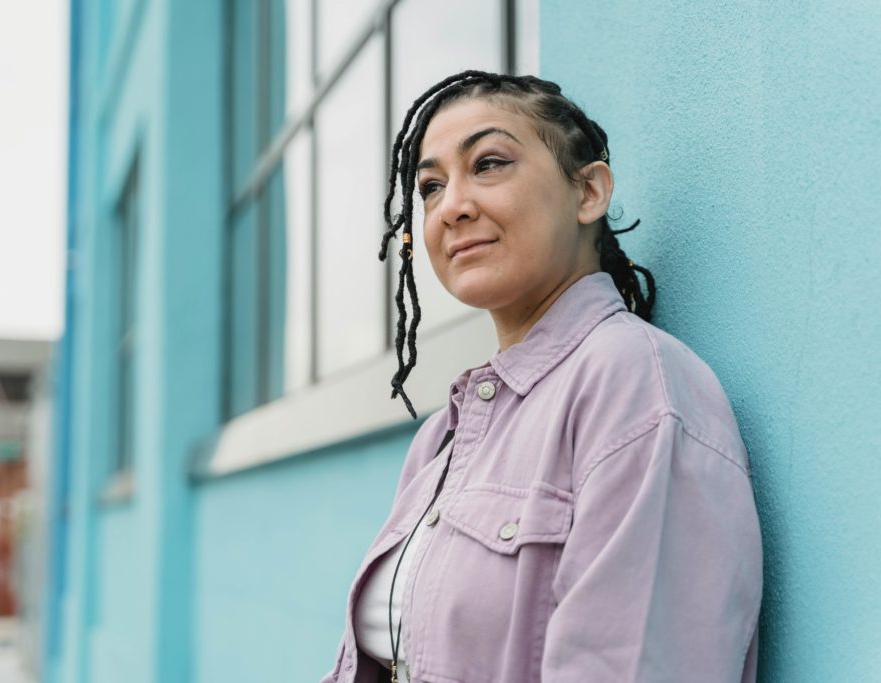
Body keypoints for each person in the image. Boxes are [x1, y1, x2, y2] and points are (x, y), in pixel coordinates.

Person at [321, 71, 763, 683]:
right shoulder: (444, 439)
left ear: (588, 192)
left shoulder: (636, 388)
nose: (452, 206)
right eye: (430, 186)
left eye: (490, 162)